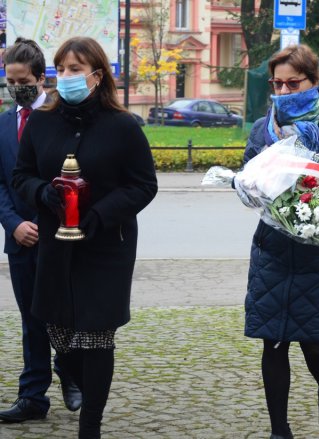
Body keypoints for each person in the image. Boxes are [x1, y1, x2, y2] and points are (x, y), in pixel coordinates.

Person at [12, 36, 157, 438]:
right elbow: (21, 175)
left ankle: (89, 424)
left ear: (97, 74)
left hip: (106, 247)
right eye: (63, 69)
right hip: (55, 246)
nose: (67, 77)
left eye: (76, 69)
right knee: (60, 333)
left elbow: (144, 185)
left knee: (95, 335)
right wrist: (43, 193)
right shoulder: (42, 122)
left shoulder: (124, 126)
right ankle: (71, 376)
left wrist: (100, 214)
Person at [241, 44, 319, 439]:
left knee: (316, 345)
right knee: (272, 343)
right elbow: (248, 175)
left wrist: (315, 201)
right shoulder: (265, 127)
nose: (284, 92)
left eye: (293, 84)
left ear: (314, 82)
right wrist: (251, 186)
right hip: (272, 249)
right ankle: (280, 430)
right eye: (277, 84)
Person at [0, 37, 82, 423]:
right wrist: (14, 225)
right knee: (31, 320)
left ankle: (70, 372)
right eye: (8, 80)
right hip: (20, 241)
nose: (15, 87)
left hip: (59, 237)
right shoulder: (3, 124)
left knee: (63, 313)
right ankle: (32, 396)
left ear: (39, 77)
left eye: (21, 80)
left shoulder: (60, 116)